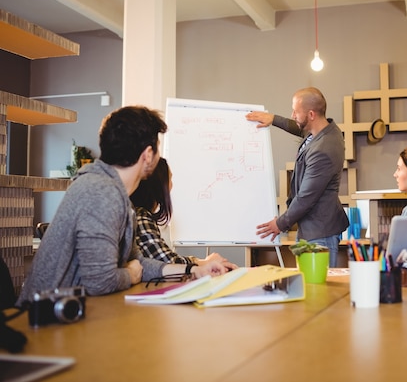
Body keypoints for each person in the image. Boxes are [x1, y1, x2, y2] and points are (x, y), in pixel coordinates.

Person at [17, 106, 228, 307]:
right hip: (44, 320)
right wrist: (129, 274)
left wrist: (194, 270)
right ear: (147, 155)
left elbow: (138, 263)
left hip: (70, 312)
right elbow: (101, 281)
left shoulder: (113, 192)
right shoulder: (101, 192)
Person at [245, 87, 349, 267]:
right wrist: (273, 119)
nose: (292, 115)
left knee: (317, 291)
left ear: (311, 114)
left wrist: (280, 223)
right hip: (313, 230)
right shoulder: (323, 130)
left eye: (296, 111)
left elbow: (306, 196)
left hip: (320, 234)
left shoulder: (324, 148)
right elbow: (298, 126)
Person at [130, 157, 237, 269]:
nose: (172, 185)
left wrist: (201, 262)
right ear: (160, 186)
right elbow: (168, 263)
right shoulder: (142, 217)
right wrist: (204, 262)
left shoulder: (142, 215)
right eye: (170, 179)